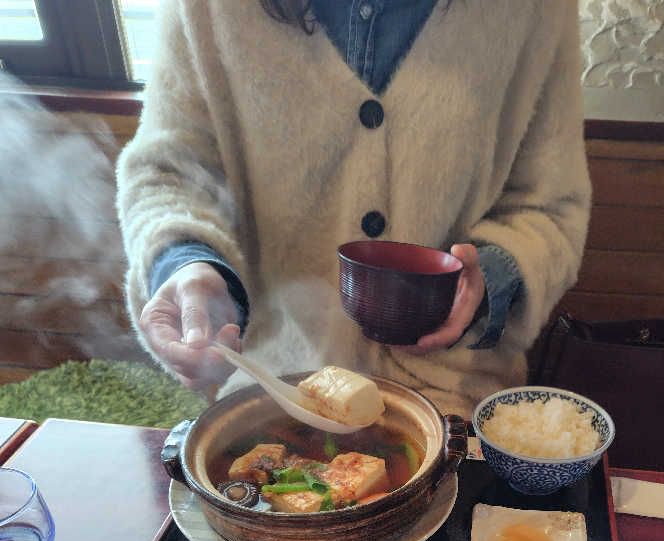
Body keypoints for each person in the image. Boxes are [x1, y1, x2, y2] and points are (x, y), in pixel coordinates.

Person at [117, 0, 591, 419]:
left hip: (457, 399)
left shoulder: (535, 10)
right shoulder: (207, 10)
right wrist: (188, 264)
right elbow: (168, 174)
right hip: (275, 390)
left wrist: (489, 279)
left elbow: (551, 206)